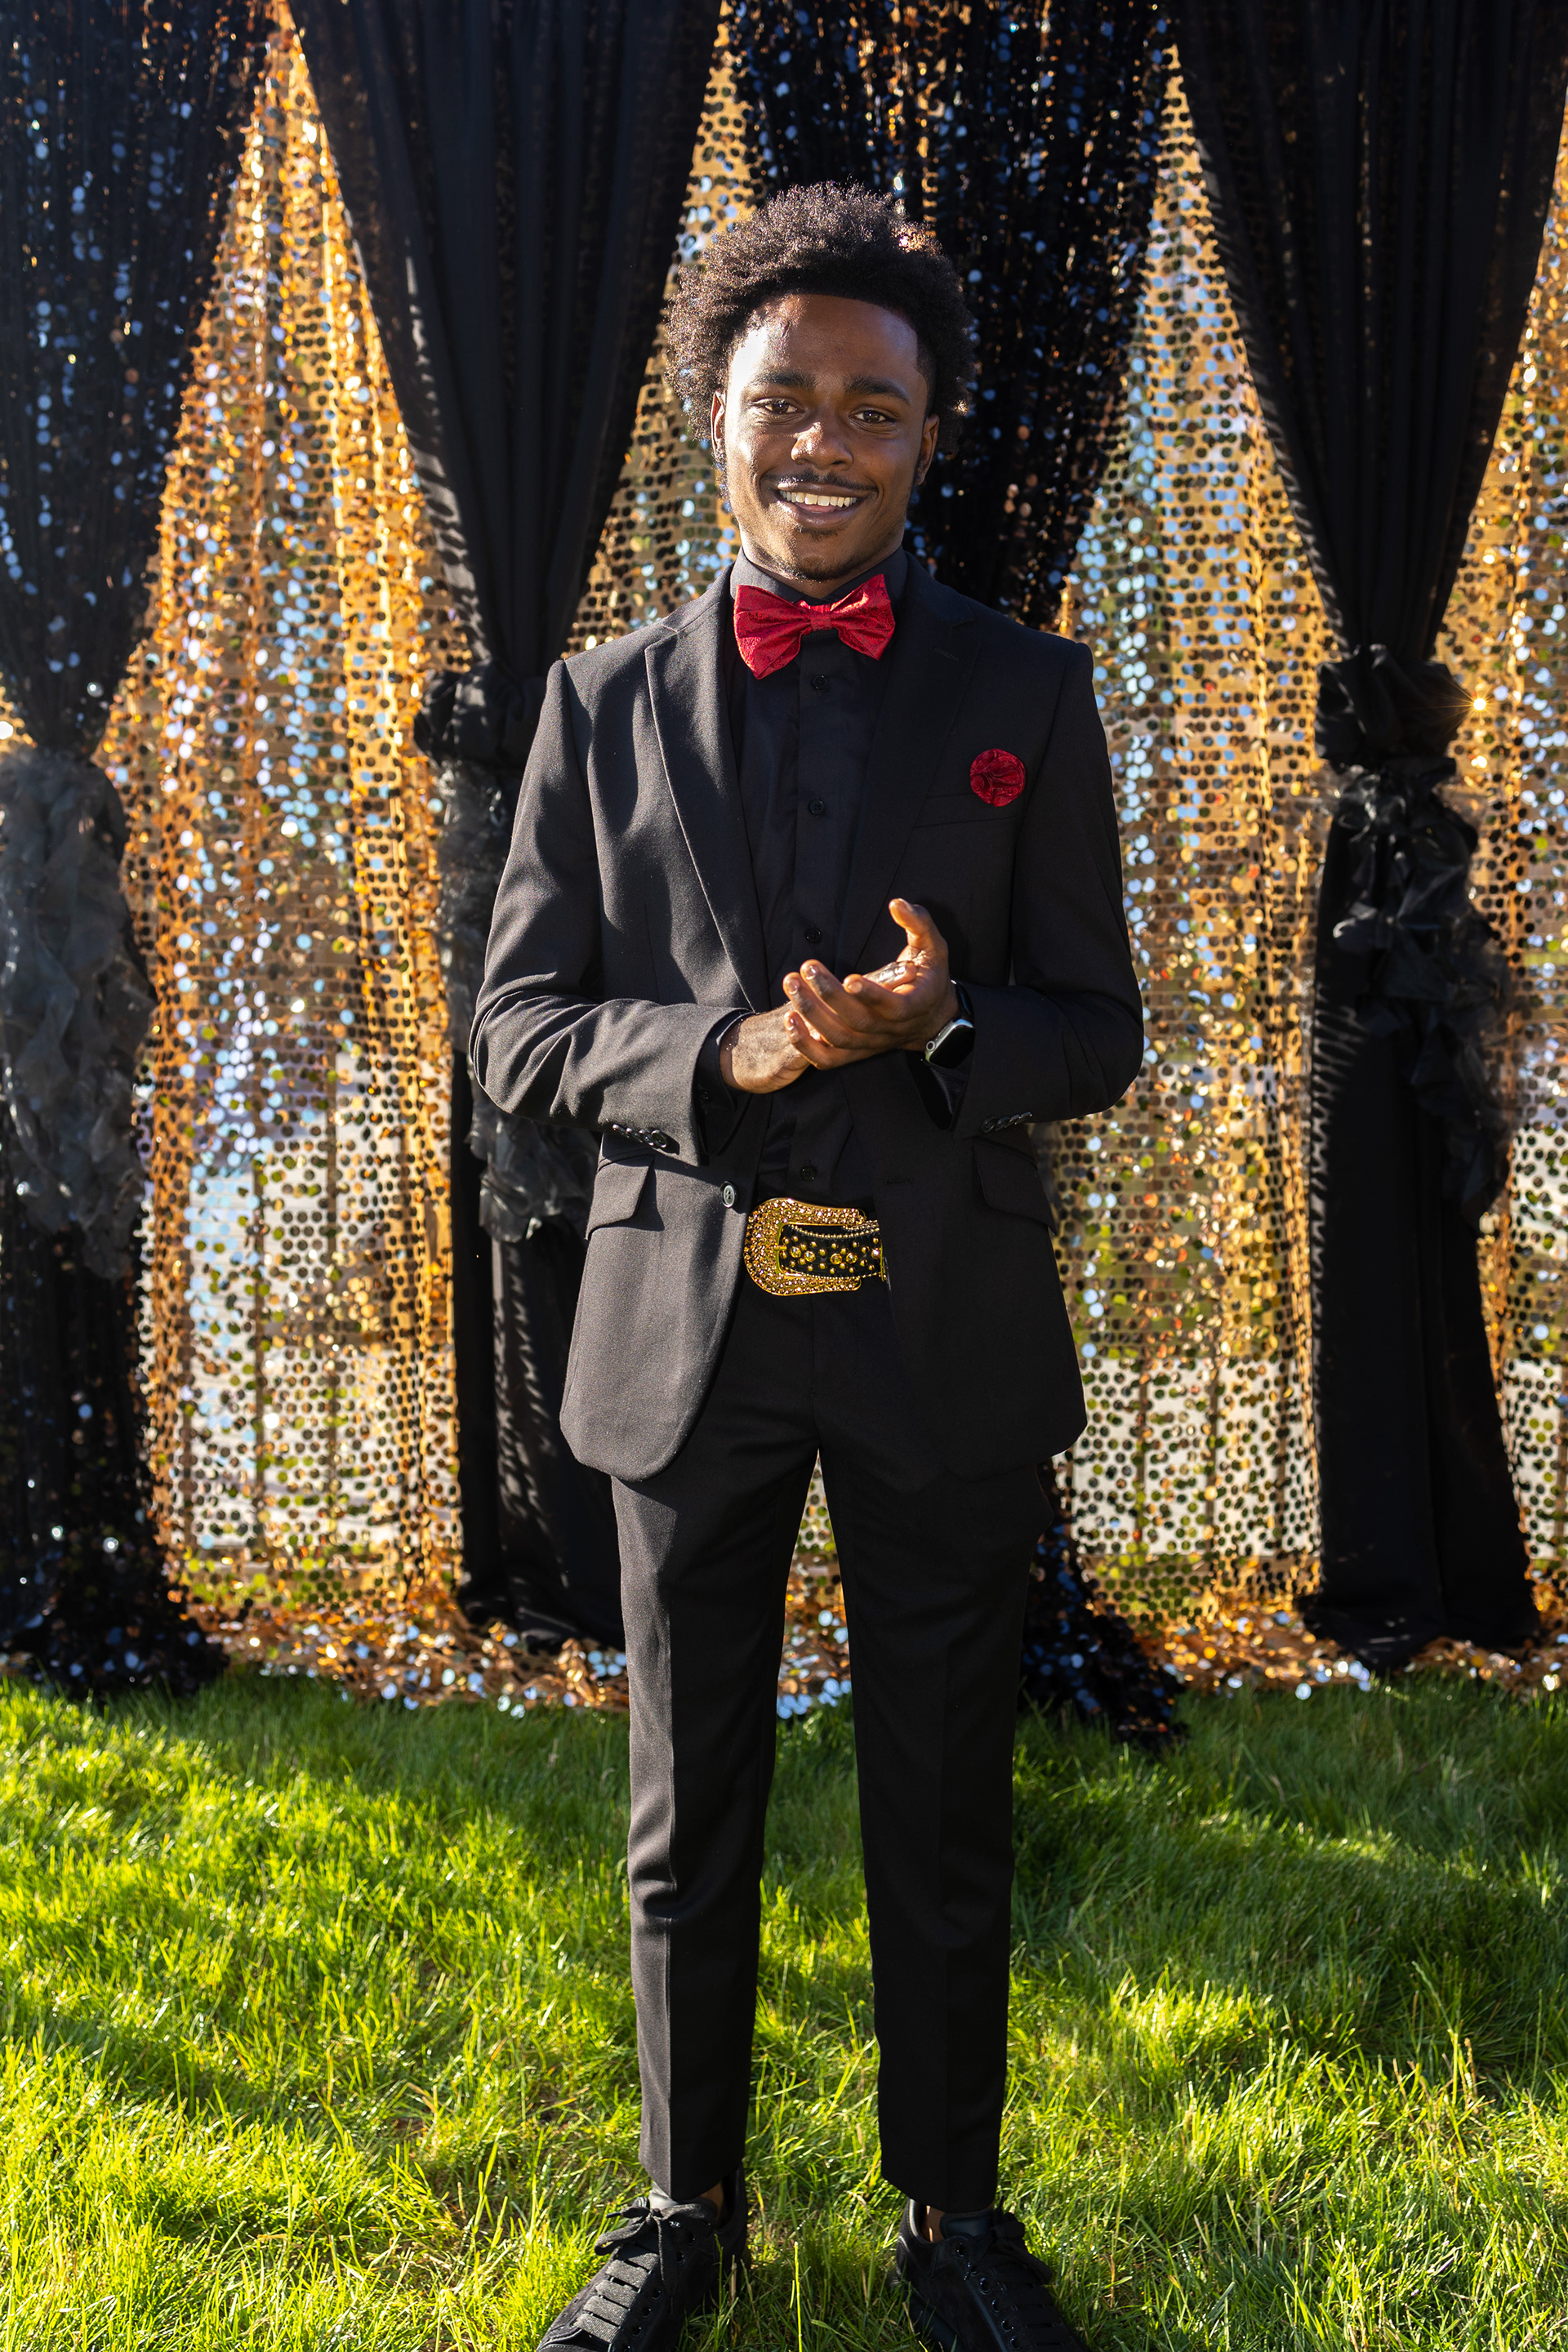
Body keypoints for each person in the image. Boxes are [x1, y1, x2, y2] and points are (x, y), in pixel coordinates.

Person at [471, 183, 1143, 2352]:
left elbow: (1097, 1030)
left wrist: (942, 1023)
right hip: (685, 1335)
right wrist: (722, 1052)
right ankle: (682, 2215)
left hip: (942, 1330)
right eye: (787, 399)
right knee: (689, 1802)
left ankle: (955, 2217)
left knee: (945, 1793)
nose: (826, 442)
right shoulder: (595, 704)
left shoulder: (1029, 691)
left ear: (928, 434)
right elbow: (518, 1028)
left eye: (874, 406)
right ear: (718, 413)